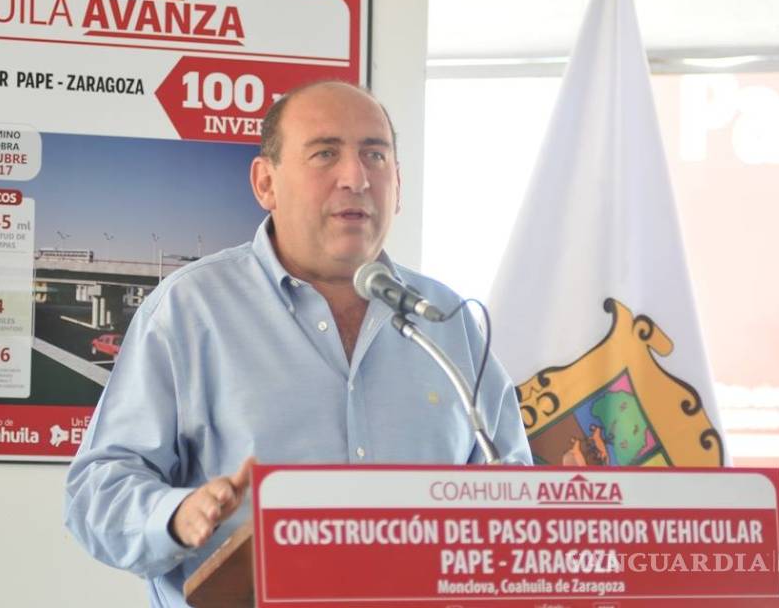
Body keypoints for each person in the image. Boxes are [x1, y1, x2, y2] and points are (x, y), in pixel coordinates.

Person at [64, 81, 531, 607]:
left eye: (375, 155)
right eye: (325, 153)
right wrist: (176, 514)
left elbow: (512, 489)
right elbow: (97, 492)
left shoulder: (444, 319)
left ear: (398, 185)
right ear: (266, 182)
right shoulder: (190, 309)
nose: (356, 177)